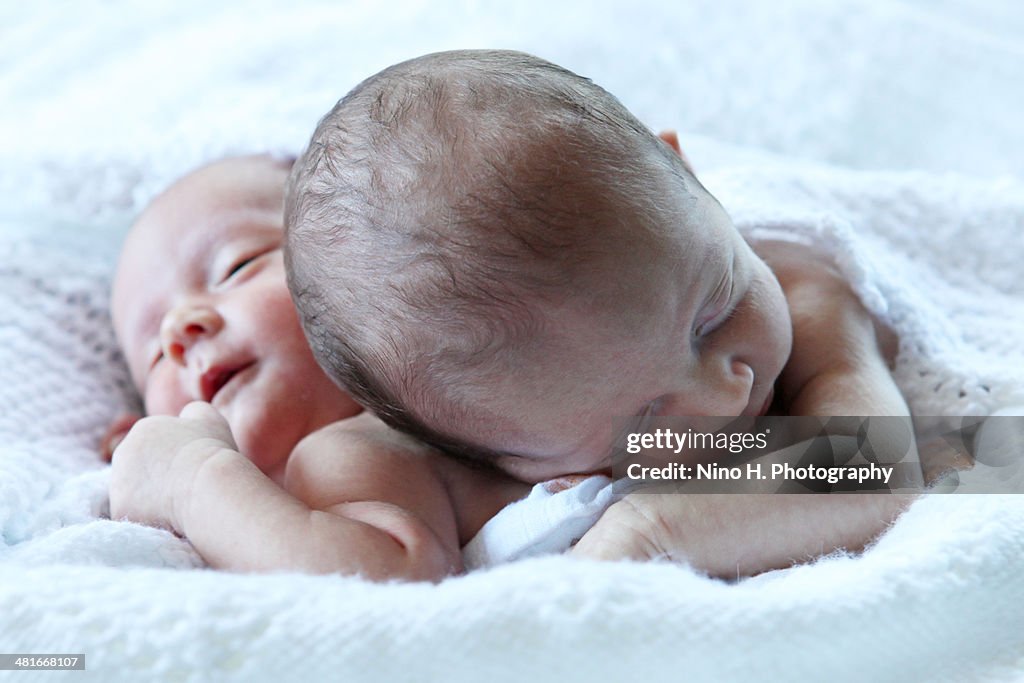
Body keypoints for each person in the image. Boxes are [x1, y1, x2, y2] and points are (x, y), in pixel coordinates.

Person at [284, 49, 919, 577]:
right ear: (486, 450)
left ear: (685, 168)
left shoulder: (803, 285)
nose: (729, 393)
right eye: (644, 415)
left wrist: (651, 531)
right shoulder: (413, 458)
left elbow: (883, 464)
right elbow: (363, 586)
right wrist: (195, 472)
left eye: (713, 315)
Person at [106, 154, 530, 581]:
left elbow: (386, 586)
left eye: (236, 267)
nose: (180, 330)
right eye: (157, 354)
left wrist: (189, 479)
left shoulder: (353, 447)